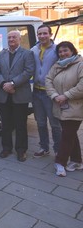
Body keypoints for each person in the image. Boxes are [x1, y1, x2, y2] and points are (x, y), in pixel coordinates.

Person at [0, 30, 35, 162]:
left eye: (14, 37)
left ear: (19, 39)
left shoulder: (27, 53)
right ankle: (6, 148)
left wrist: (13, 83)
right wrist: (3, 84)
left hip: (20, 94)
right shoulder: (1, 54)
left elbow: (29, 71)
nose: (11, 39)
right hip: (4, 94)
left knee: (20, 124)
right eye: (9, 37)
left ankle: (21, 150)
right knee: (6, 124)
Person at [45, 41, 83, 177]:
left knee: (66, 136)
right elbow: (48, 80)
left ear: (72, 50)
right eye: (60, 52)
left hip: (75, 106)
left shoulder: (80, 64)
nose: (63, 53)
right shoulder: (57, 65)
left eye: (65, 50)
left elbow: (81, 86)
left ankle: (60, 162)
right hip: (60, 105)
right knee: (71, 135)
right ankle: (77, 160)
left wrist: (65, 96)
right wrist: (55, 96)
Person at [31, 24, 61, 157]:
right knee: (41, 122)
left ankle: (58, 150)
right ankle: (44, 147)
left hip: (51, 92)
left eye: (45, 33)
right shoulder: (34, 50)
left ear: (50, 34)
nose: (42, 36)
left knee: (55, 123)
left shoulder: (57, 50)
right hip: (37, 92)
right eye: (40, 34)